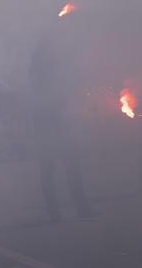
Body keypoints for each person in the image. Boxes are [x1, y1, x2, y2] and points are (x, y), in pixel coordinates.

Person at [29, 36, 94, 221]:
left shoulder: (51, 67)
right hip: (47, 124)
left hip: (59, 123)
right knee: (50, 169)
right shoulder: (40, 69)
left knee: (70, 166)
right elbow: (44, 96)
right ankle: (57, 211)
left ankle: (78, 207)